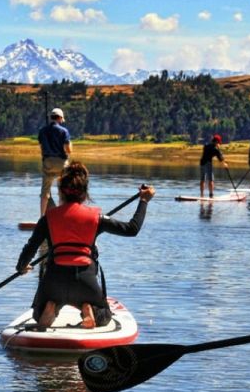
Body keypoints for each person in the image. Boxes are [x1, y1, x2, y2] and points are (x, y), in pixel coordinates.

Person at [15, 161, 155, 329]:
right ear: (85, 192)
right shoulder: (97, 218)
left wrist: (22, 267)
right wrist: (144, 201)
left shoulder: (47, 218)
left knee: (38, 314)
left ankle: (50, 306)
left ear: (60, 192)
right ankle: (87, 308)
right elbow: (132, 229)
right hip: (85, 281)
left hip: (54, 281)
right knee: (104, 317)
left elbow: (30, 248)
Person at [37, 107, 71, 216]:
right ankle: (63, 217)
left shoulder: (42, 131)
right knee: (63, 190)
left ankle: (42, 217)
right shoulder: (64, 131)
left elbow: (42, 148)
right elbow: (68, 150)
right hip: (62, 164)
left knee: (44, 193)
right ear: (60, 118)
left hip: (48, 163)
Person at [199, 134, 229, 198]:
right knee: (211, 179)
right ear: (216, 142)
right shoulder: (215, 149)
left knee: (202, 179)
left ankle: (201, 195)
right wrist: (225, 164)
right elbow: (220, 158)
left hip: (202, 162)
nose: (219, 144)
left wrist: (217, 149)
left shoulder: (206, 145)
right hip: (208, 163)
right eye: (218, 142)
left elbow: (215, 153)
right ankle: (211, 194)